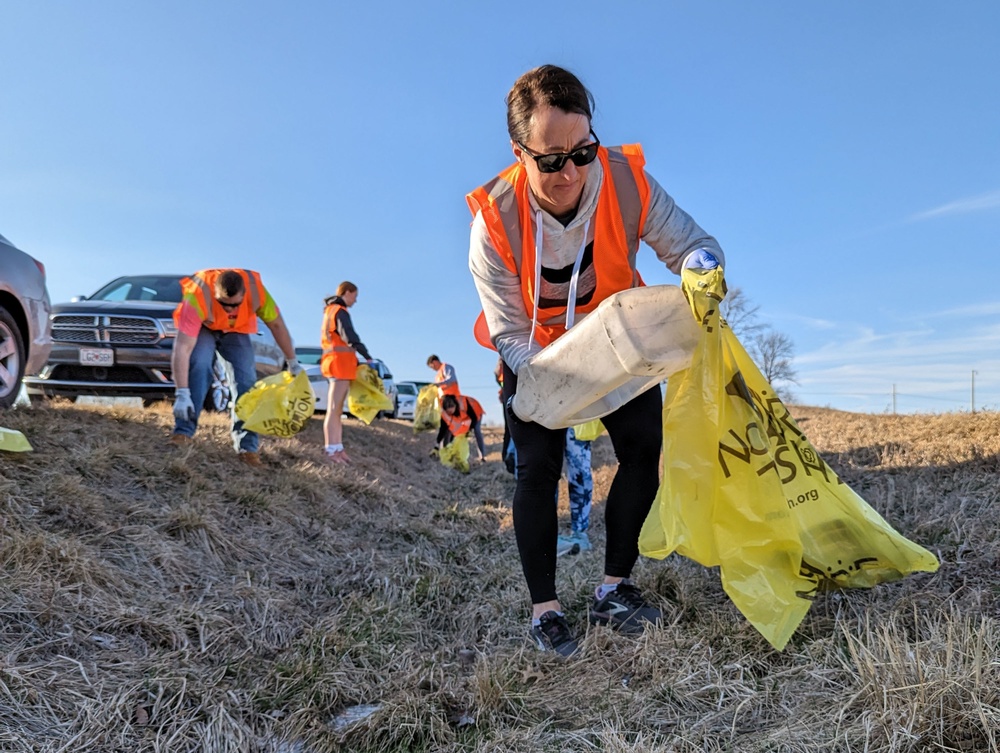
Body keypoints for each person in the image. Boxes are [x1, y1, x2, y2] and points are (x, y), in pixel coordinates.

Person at [467, 64, 726, 656]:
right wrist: (548, 379)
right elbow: (508, 326)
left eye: (582, 152)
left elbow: (694, 244)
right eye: (550, 159)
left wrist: (701, 271)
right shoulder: (493, 218)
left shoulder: (627, 181)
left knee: (642, 448)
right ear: (519, 151)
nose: (570, 173)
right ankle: (546, 609)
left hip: (620, 340)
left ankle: (615, 586)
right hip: (535, 355)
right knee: (539, 467)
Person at [170, 268, 300, 467]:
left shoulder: (258, 293)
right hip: (206, 327)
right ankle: (183, 432)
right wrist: (181, 392)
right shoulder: (198, 295)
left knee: (246, 382)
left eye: (235, 305)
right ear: (215, 293)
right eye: (223, 304)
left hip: (235, 331)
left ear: (244, 295)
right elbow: (182, 348)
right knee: (199, 366)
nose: (229, 310)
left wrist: (292, 362)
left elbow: (277, 326)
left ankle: (247, 448)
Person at [320, 281, 374, 464]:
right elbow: (349, 336)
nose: (355, 301)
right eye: (355, 296)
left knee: (336, 410)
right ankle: (331, 450)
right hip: (339, 365)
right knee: (334, 409)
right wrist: (367, 356)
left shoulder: (330, 311)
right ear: (347, 292)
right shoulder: (339, 312)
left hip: (335, 364)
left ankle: (338, 448)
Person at [556, 427, 594, 556]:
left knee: (580, 471)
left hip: (576, 413)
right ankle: (546, 536)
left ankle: (579, 533)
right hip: (545, 413)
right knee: (545, 472)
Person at [437, 393, 487, 463]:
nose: (450, 412)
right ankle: (447, 453)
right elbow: (443, 429)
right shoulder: (444, 412)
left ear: (455, 406)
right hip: (464, 415)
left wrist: (468, 430)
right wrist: (437, 443)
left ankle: (482, 456)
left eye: (451, 409)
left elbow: (473, 418)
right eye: (448, 411)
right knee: (448, 432)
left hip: (476, 411)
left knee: (476, 430)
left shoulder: (463, 405)